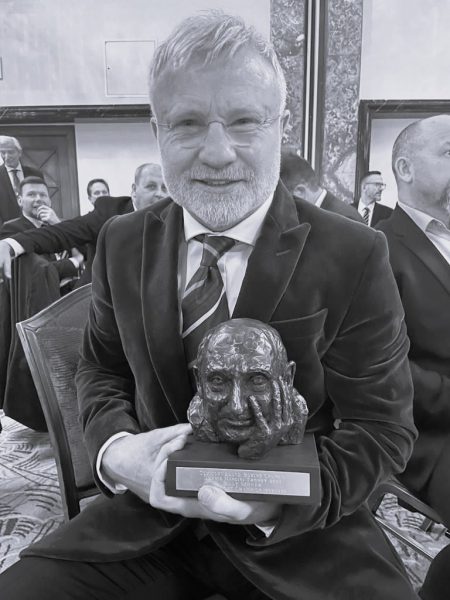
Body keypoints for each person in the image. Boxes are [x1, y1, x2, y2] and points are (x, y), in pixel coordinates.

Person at [0, 12, 418, 600]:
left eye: (244, 121)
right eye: (188, 123)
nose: (217, 153)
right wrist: (118, 453)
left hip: (302, 536)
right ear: (157, 130)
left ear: (281, 127)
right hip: (150, 522)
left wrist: (279, 502)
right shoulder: (122, 240)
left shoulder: (354, 251)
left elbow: (382, 426)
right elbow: (101, 369)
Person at [376, 114, 450, 600]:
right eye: (449, 152)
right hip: (434, 436)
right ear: (405, 168)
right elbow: (384, 367)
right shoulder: (378, 248)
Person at [0, 162, 165, 285]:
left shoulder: (174, 216)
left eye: (165, 188)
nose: (160, 194)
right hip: (100, 304)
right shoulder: (109, 211)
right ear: (134, 190)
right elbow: (64, 232)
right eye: (151, 187)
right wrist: (11, 244)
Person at [0, 176, 82, 282]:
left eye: (43, 195)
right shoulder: (10, 229)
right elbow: (37, 270)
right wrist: (75, 261)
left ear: (49, 201)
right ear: (20, 201)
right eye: (31, 194)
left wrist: (58, 225)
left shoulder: (60, 223)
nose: (38, 199)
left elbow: (85, 253)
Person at [280, 146, 363, 222]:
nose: (280, 209)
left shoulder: (345, 220)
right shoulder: (320, 214)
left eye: (280, 201)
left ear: (300, 192)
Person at [0, 135, 43, 225]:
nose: (6, 157)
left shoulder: (35, 173)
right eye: (3, 152)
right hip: (6, 229)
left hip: (34, 226)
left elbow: (42, 199)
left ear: (19, 152)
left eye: (10, 152)